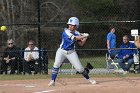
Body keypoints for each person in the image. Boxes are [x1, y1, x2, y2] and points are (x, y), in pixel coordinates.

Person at [48, 17, 96, 86]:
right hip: (61, 51)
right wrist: (83, 35)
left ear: (76, 26)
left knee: (79, 69)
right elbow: (75, 38)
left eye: (72, 25)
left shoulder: (77, 33)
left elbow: (81, 44)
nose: (70, 26)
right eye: (69, 24)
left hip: (71, 52)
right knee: (56, 64)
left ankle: (90, 79)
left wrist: (85, 38)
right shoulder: (66, 32)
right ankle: (53, 81)